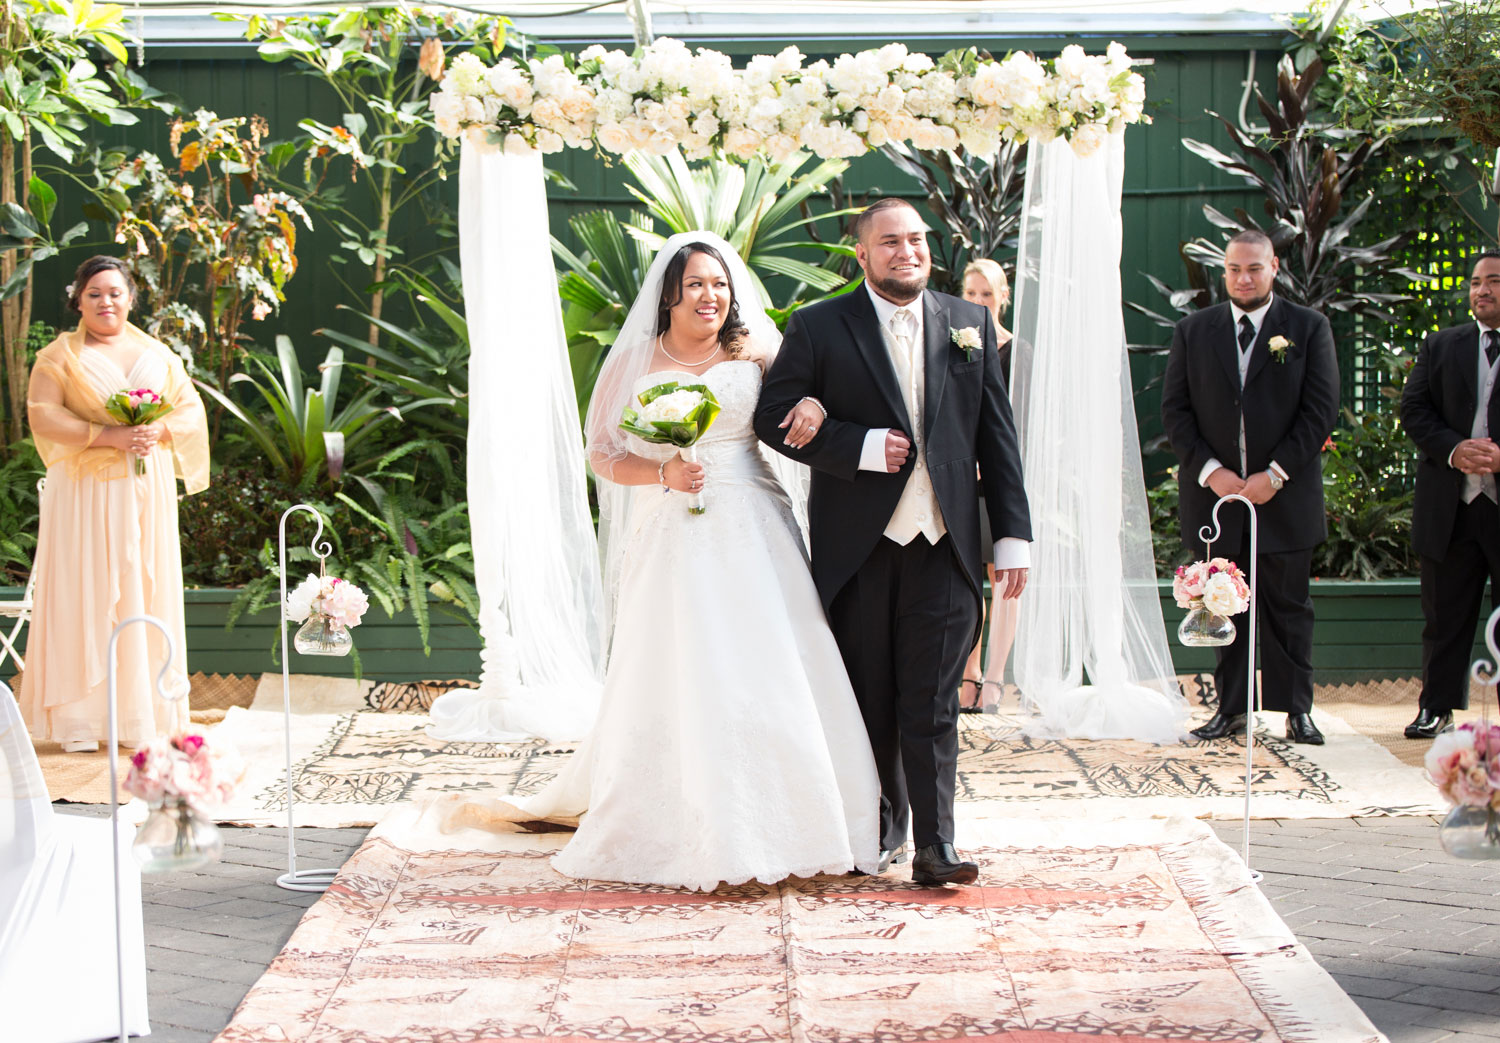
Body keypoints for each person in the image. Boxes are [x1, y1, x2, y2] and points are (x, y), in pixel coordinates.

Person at [439, 232, 880, 892]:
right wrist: (661, 471)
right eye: (697, 284)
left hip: (753, 518)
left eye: (721, 284)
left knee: (774, 659)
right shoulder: (638, 360)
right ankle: (685, 822)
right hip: (671, 523)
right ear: (670, 294)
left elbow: (804, 402)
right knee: (681, 661)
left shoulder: (756, 348)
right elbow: (601, 452)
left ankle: (813, 818)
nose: (711, 296)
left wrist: (813, 403)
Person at [754, 198, 1032, 886]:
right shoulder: (819, 326)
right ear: (863, 255)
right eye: (890, 242)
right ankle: (880, 829)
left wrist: (1013, 535)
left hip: (947, 545)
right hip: (860, 551)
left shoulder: (970, 322)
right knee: (870, 699)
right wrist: (858, 446)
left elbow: (997, 437)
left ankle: (937, 846)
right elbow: (770, 417)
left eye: (915, 239)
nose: (907, 251)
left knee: (932, 701)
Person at [22, 256, 209, 751]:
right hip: (84, 494)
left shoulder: (159, 353)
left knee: (144, 589)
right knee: (88, 590)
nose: (106, 302)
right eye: (94, 294)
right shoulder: (58, 357)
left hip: (147, 490)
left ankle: (140, 717)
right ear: (77, 300)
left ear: (131, 297)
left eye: (115, 292)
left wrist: (158, 429)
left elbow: (190, 409)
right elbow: (42, 416)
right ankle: (83, 721)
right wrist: (108, 436)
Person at [1160, 229, 1339, 745]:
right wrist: (1211, 472)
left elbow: (1320, 410)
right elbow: (1176, 411)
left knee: (1288, 608)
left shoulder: (1308, 328)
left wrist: (1275, 474)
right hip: (1216, 499)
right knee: (1220, 605)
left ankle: (1296, 710)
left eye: (1254, 268)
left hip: (1284, 497)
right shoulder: (1195, 331)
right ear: (1225, 271)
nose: (1243, 278)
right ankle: (1232, 709)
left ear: (1274, 267)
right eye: (1235, 269)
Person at [1399, 251, 1500, 739]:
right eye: (1476, 282)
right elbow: (1413, 410)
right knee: (1443, 616)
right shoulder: (1441, 345)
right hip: (1451, 506)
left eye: (1494, 281)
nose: (1483, 290)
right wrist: (1456, 449)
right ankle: (1435, 708)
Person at [958, 258, 1020, 713]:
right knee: (968, 580)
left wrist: (991, 463)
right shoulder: (956, 343)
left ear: (1003, 296)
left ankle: (995, 677)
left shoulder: (1019, 352)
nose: (979, 302)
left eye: (987, 294)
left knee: (1005, 578)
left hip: (1001, 480)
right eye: (971, 293)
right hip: (961, 481)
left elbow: (1020, 421)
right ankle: (968, 672)